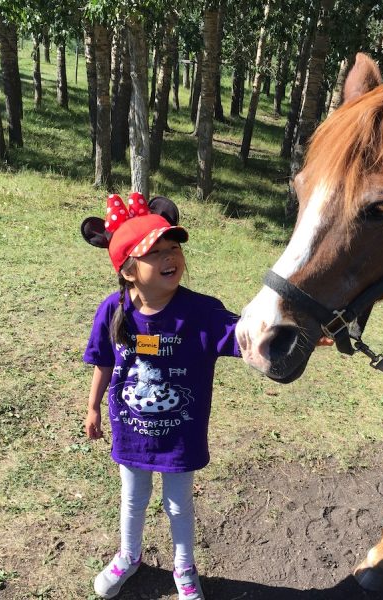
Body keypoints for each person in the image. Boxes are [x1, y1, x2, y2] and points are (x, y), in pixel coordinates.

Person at [81, 192, 240, 600]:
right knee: (133, 501)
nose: (172, 256)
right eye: (157, 252)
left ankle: (184, 567)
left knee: (177, 505)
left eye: (174, 247)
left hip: (179, 435)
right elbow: (103, 360)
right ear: (130, 270)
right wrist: (93, 406)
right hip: (131, 431)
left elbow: (243, 336)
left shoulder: (202, 312)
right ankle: (129, 556)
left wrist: (292, 335)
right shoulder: (113, 311)